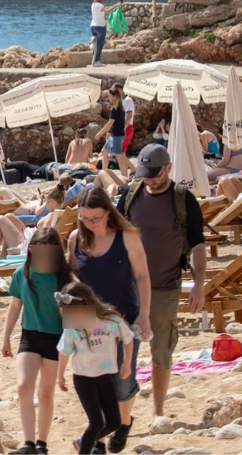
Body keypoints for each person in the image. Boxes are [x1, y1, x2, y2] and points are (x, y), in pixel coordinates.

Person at [116, 144, 206, 445]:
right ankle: (122, 416)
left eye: (154, 175)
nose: (150, 180)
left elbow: (198, 244)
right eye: (145, 175)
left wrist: (199, 283)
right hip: (129, 287)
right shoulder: (130, 195)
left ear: (168, 168)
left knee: (161, 349)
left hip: (166, 286)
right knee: (124, 351)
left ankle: (157, 411)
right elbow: (114, 235)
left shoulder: (184, 199)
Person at [66, 187, 151, 454]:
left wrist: (145, 315)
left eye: (96, 218)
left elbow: (143, 277)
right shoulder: (75, 238)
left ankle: (123, 424)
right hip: (88, 325)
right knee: (97, 382)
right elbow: (71, 275)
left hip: (124, 319)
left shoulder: (127, 237)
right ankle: (99, 442)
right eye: (84, 218)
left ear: (108, 212)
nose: (90, 224)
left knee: (123, 383)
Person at [2, 228, 74, 455]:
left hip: (56, 339)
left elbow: (77, 314)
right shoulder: (21, 274)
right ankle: (29, 444)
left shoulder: (64, 277)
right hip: (30, 336)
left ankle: (42, 444)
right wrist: (5, 338)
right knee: (23, 387)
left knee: (45, 393)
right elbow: (15, 306)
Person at [56, 281, 135, 455]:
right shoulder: (72, 327)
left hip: (105, 376)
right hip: (83, 378)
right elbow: (64, 351)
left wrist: (127, 363)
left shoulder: (111, 319)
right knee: (97, 422)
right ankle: (84, 448)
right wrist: (60, 375)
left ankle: (83, 441)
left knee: (114, 422)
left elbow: (128, 338)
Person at [95, 87, 132, 178]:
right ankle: (104, 172)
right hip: (115, 134)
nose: (109, 98)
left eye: (109, 96)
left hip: (117, 135)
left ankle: (130, 171)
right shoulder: (120, 107)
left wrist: (100, 133)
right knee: (104, 152)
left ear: (114, 96)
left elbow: (110, 123)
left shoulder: (116, 108)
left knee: (119, 156)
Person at [89, 0, 119, 67]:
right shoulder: (100, 5)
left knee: (95, 44)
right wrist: (116, 6)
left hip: (93, 26)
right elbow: (108, 11)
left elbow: (104, 9)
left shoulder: (93, 4)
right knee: (100, 44)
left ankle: (93, 60)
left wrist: (110, 7)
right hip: (100, 27)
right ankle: (96, 61)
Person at [111, 84, 135, 153]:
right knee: (118, 152)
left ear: (120, 90)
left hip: (125, 128)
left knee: (119, 152)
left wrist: (123, 128)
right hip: (121, 128)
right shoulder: (120, 101)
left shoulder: (128, 100)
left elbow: (129, 115)